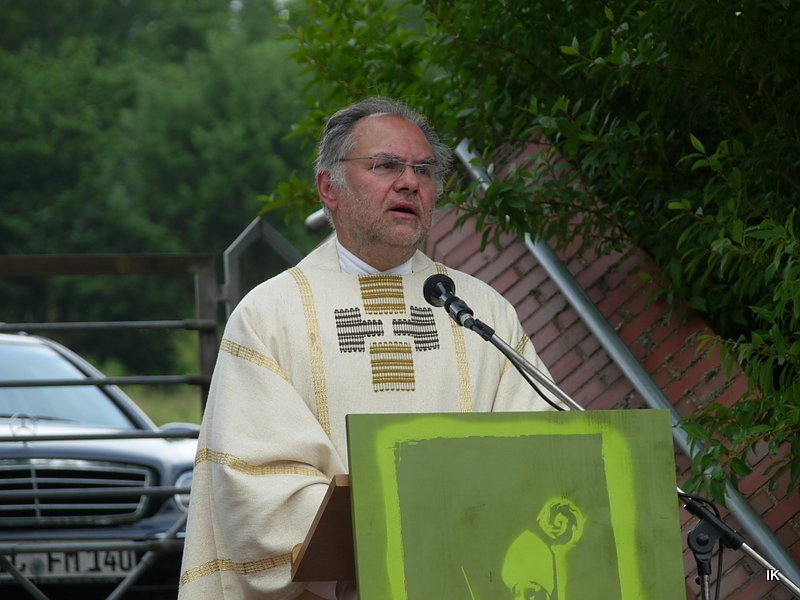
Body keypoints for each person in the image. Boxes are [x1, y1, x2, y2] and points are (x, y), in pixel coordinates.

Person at [177, 96, 559, 599]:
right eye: (386, 165)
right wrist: (398, 530)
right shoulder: (268, 316)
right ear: (327, 188)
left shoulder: (481, 311)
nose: (410, 182)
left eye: (424, 170)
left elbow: (540, 452)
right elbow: (257, 485)